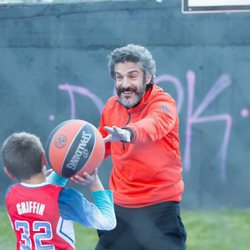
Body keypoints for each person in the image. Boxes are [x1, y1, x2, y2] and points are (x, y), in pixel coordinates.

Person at [73, 44, 187, 250]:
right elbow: (101, 145)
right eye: (119, 77)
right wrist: (73, 164)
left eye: (132, 76)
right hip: (120, 209)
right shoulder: (111, 106)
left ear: (148, 77)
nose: (125, 84)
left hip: (160, 207)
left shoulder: (163, 103)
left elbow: (154, 124)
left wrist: (128, 133)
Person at [1, 132, 116, 250]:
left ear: (8, 173)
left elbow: (41, 195)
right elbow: (108, 222)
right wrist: (94, 183)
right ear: (44, 159)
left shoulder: (11, 194)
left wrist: (62, 171)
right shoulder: (64, 198)